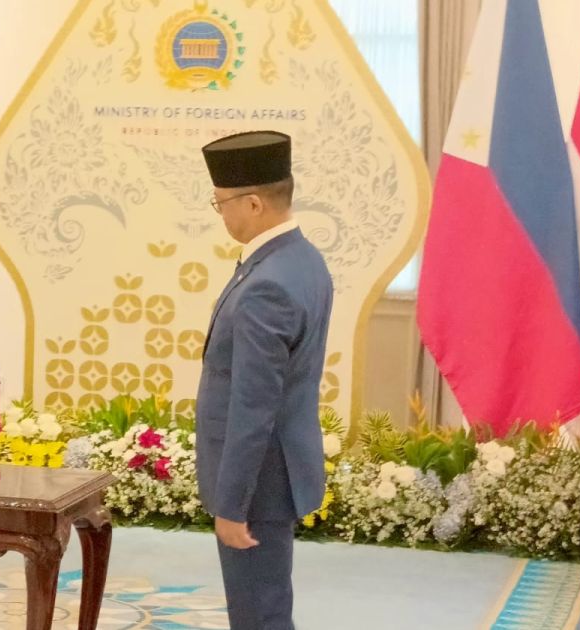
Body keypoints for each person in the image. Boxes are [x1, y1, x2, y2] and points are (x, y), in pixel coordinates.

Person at [195, 131, 333, 629]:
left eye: (221, 204)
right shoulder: (302, 259)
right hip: (276, 471)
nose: (221, 215)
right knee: (266, 604)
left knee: (258, 614)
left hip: (258, 482)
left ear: (253, 203)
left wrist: (233, 504)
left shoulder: (266, 285)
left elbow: (254, 406)